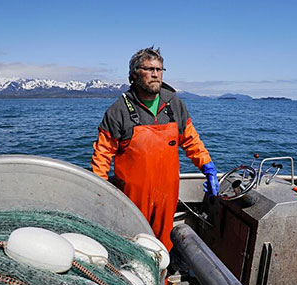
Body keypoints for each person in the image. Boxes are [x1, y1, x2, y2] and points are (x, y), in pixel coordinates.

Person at [91, 47, 219, 251]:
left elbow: (191, 141)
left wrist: (208, 167)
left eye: (159, 69)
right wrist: (99, 191)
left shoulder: (175, 105)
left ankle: (163, 281)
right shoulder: (118, 110)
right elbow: (102, 155)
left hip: (167, 193)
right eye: (149, 69)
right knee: (132, 243)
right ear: (133, 75)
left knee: (163, 244)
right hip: (132, 197)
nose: (155, 74)